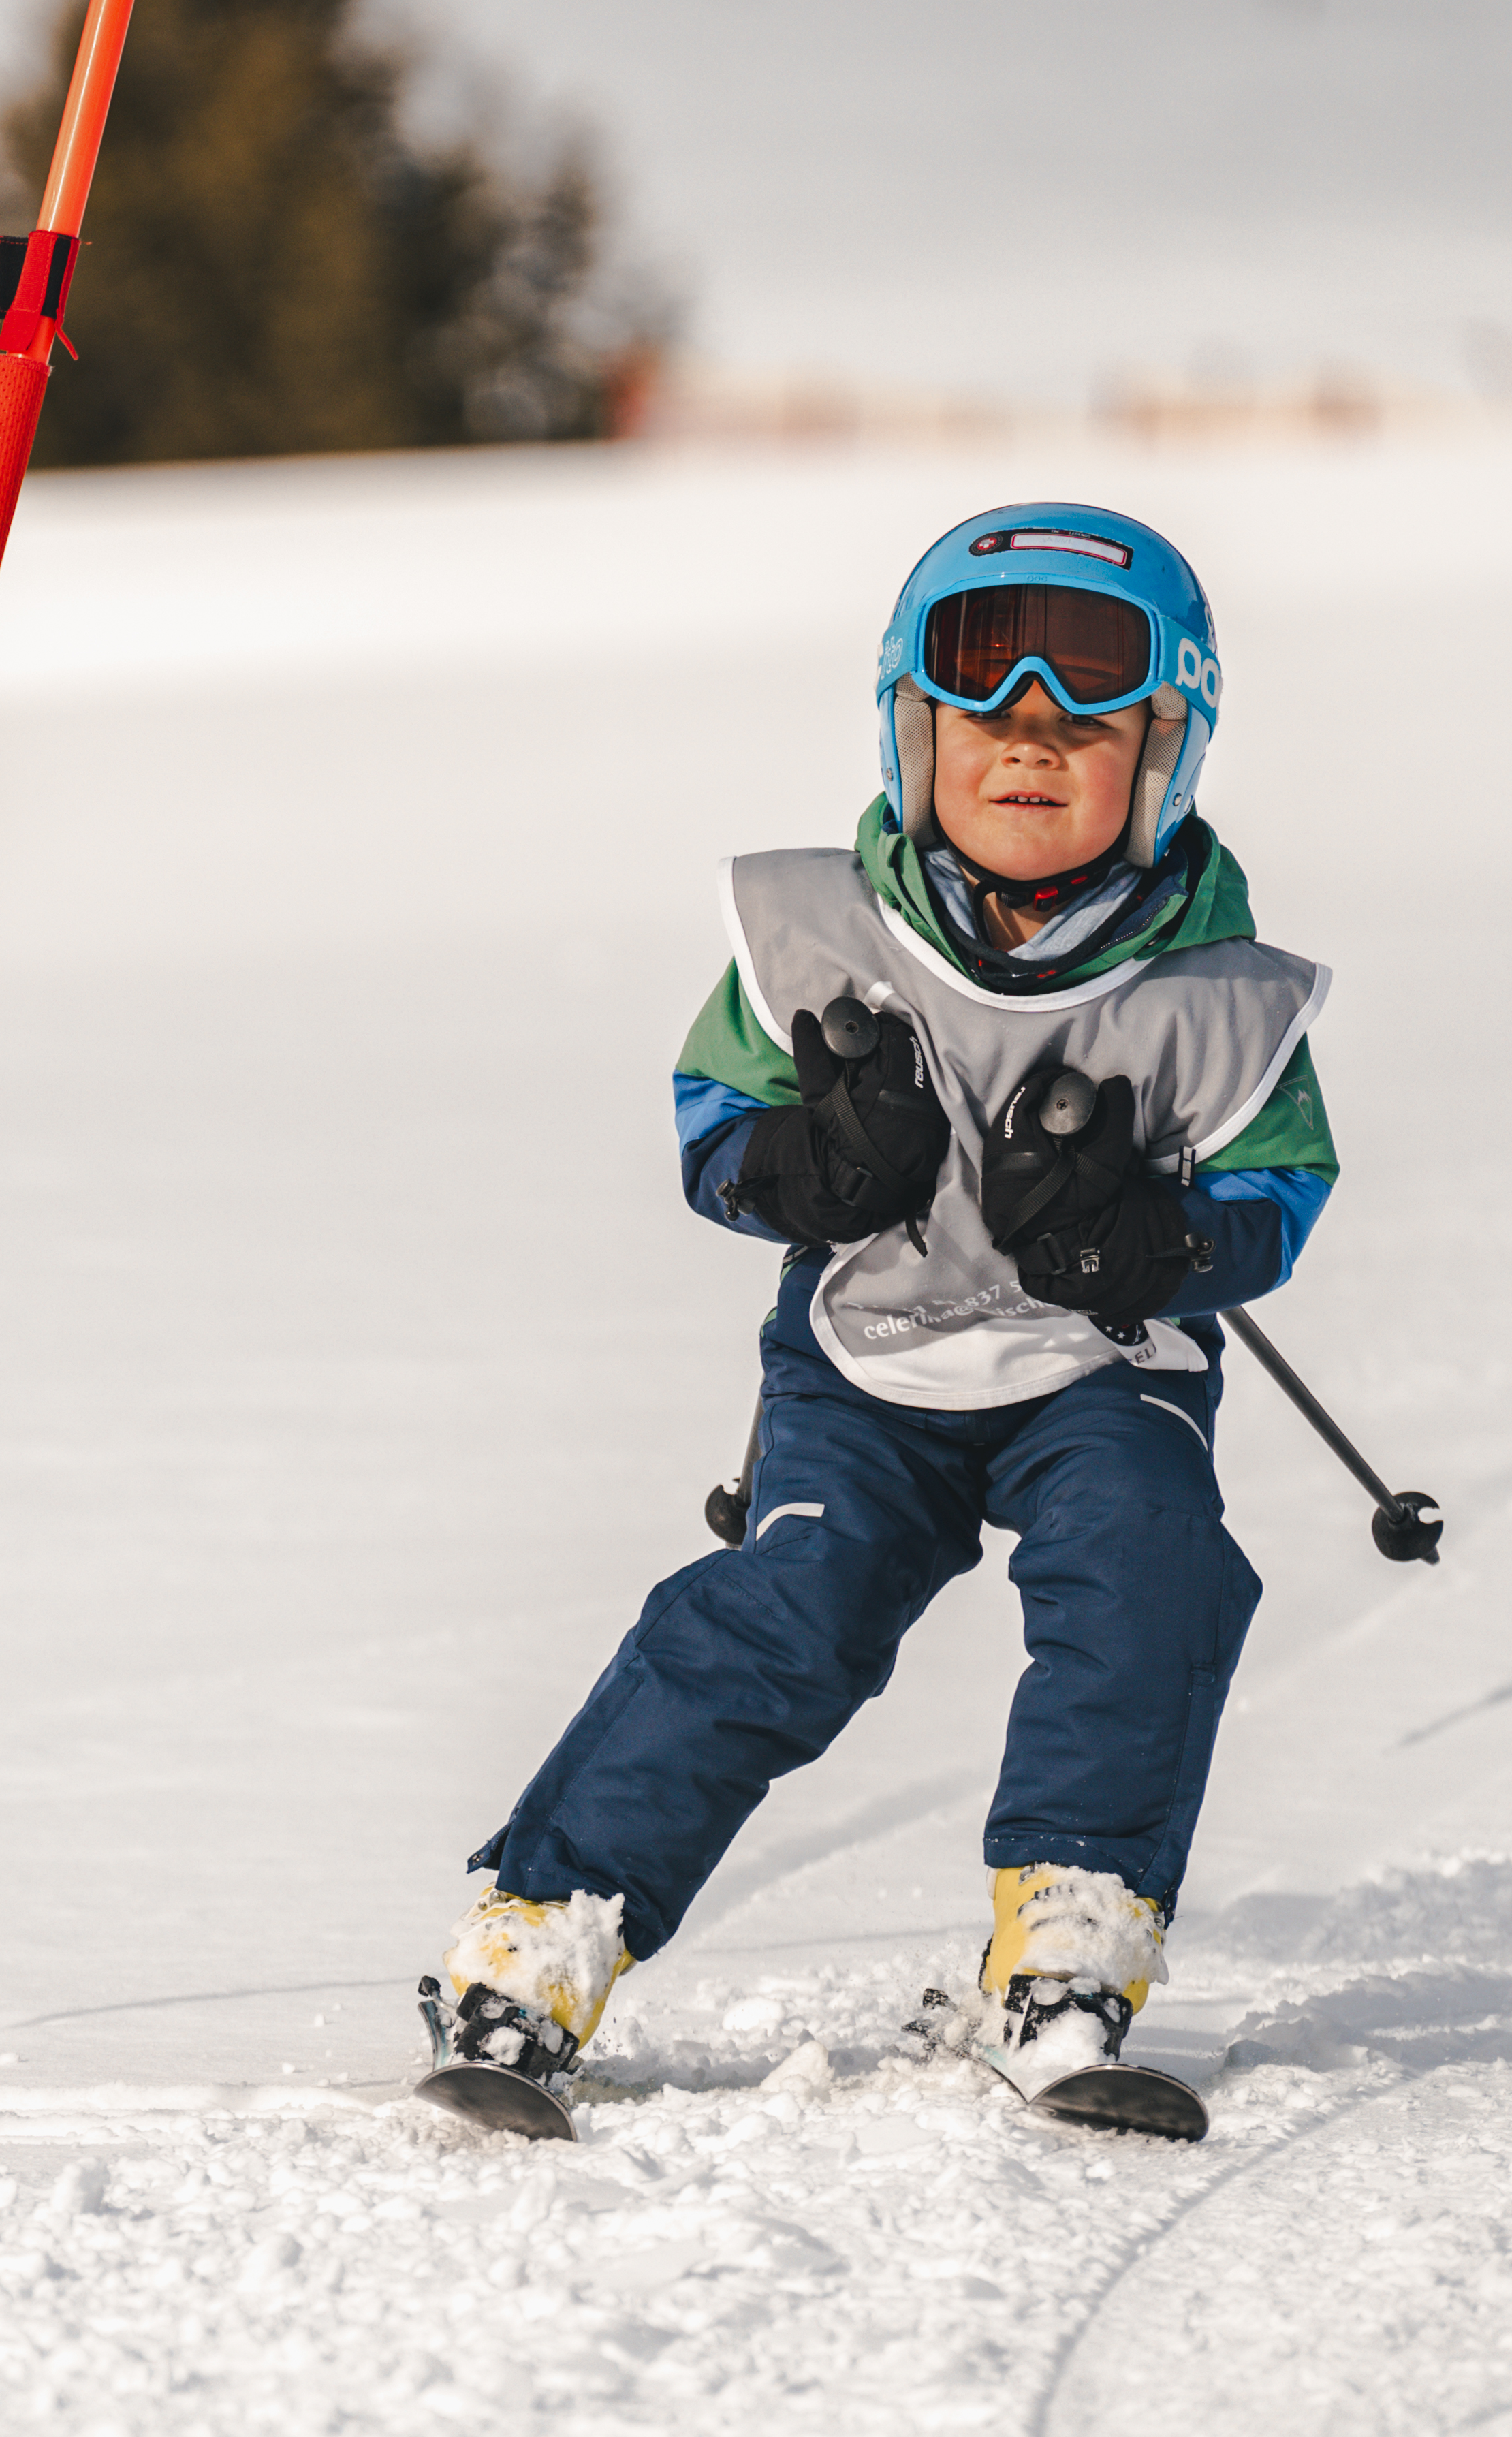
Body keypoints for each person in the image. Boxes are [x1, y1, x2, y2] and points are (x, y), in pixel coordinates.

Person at [424, 503, 1338, 2116]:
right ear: (911, 739)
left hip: (1095, 1367)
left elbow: (1278, 1192)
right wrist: (809, 1165)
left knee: (1149, 1568)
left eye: (1084, 727)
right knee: (792, 1606)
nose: (1029, 746)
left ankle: (1068, 1938)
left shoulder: (1220, 995)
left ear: (1166, 753)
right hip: (868, 1359)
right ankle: (542, 1932)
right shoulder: (819, 937)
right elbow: (716, 1125)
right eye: (983, 719)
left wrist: (1153, 1245)